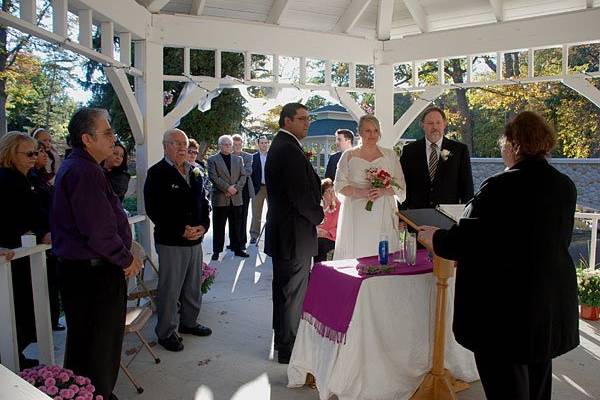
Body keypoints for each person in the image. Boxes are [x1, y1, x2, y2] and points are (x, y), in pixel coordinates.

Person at [418, 111, 579, 400]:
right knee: (538, 384)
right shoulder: (564, 185)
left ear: (514, 144)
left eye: (505, 142)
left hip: (504, 310)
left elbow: (471, 240)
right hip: (546, 304)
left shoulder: (501, 186)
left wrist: (436, 238)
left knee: (507, 386)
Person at [51, 108, 142, 400]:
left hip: (89, 273)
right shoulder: (84, 170)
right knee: (98, 346)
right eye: (107, 133)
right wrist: (127, 258)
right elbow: (98, 230)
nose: (113, 139)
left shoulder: (86, 167)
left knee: (89, 345)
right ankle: (96, 393)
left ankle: (92, 392)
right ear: (87, 139)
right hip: (92, 275)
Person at [265, 103, 323, 364]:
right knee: (292, 294)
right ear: (287, 121)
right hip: (293, 236)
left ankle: (283, 342)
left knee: (284, 291)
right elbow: (299, 196)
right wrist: (320, 216)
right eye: (302, 119)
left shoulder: (285, 146)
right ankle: (289, 348)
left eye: (308, 119)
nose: (306, 123)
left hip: (287, 233)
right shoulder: (288, 149)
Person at [144, 128, 212, 352]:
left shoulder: (195, 171)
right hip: (172, 241)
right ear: (165, 146)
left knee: (193, 286)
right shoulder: (157, 173)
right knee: (170, 289)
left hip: (195, 240)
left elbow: (204, 203)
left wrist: (203, 226)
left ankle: (189, 323)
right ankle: (166, 332)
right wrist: (181, 230)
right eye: (176, 143)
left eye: (184, 144)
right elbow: (155, 210)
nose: (183, 148)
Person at [0, 131, 51, 369]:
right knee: (19, 313)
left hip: (21, 252)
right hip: (10, 255)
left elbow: (36, 213)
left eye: (36, 152)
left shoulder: (26, 178)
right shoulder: (6, 179)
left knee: (23, 312)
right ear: (11, 153)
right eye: (29, 153)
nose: (35, 157)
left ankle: (15, 357)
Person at [333, 114, 406, 260]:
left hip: (384, 209)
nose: (372, 135)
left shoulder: (390, 155)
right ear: (360, 132)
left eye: (375, 130)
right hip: (356, 212)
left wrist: (383, 190)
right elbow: (339, 185)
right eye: (367, 131)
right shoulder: (348, 155)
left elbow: (400, 186)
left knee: (382, 252)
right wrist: (360, 192)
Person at [400, 106, 473, 209]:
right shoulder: (410, 151)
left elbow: (467, 188)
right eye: (430, 123)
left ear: (444, 124)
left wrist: (466, 218)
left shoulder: (459, 151)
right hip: (416, 217)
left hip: (448, 217)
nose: (435, 127)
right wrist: (402, 217)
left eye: (438, 123)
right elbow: (402, 185)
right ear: (422, 125)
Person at [28, 142, 64, 331]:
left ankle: (50, 322)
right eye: (31, 153)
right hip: (36, 243)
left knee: (51, 285)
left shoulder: (42, 178)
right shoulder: (27, 179)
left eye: (40, 152)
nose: (37, 155)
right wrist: (41, 232)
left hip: (51, 239)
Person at [207, 135, 249, 260]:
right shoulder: (212, 159)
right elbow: (213, 177)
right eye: (225, 144)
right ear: (219, 145)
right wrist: (227, 188)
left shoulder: (238, 159)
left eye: (229, 144)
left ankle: (237, 249)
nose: (228, 146)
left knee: (236, 226)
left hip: (236, 198)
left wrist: (235, 188)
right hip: (220, 198)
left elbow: (243, 176)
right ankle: (216, 251)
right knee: (219, 226)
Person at [232, 134, 254, 250]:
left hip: (244, 189)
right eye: (235, 145)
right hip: (231, 189)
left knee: (243, 215)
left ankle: (242, 242)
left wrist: (234, 178)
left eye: (239, 144)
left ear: (242, 145)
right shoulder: (228, 156)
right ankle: (233, 241)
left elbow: (248, 171)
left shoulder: (248, 157)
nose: (237, 147)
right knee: (232, 216)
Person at [315, 178, 340, 263]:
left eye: (332, 191)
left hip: (333, 238)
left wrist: (327, 233)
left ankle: (320, 271)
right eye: (328, 191)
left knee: (320, 244)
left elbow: (342, 227)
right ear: (322, 195)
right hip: (318, 236)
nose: (332, 194)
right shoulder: (318, 207)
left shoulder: (340, 206)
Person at [249, 136, 269, 244]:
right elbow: (250, 174)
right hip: (258, 188)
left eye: (266, 143)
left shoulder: (272, 156)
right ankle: (254, 234)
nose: (264, 145)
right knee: (256, 213)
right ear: (258, 144)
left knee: (272, 213)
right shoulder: (253, 157)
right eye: (262, 143)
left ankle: (271, 235)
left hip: (270, 189)